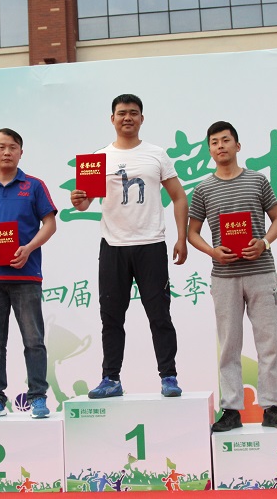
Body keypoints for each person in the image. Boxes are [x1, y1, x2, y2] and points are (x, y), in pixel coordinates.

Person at [69, 93, 188, 398]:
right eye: (122, 113)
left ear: (142, 118)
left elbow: (179, 196)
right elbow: (85, 203)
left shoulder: (156, 154)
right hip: (114, 245)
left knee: (159, 314)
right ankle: (111, 379)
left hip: (151, 244)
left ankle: (169, 376)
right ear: (112, 119)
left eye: (133, 113)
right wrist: (78, 199)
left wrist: (181, 237)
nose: (127, 118)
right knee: (111, 316)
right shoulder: (99, 158)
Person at [187, 121, 277, 432]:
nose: (220, 146)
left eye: (225, 140)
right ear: (209, 150)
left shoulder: (257, 180)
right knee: (228, 346)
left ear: (237, 145)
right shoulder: (203, 189)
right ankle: (231, 410)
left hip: (261, 272)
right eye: (214, 142)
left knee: (268, 342)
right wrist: (213, 252)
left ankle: (271, 407)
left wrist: (264, 243)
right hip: (224, 276)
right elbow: (192, 233)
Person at [0, 128, 57, 419]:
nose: (7, 152)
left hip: (26, 276)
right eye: (1, 147)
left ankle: (38, 397)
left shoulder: (34, 186)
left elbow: (50, 224)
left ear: (20, 152)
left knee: (34, 340)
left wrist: (28, 248)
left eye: (13, 147)